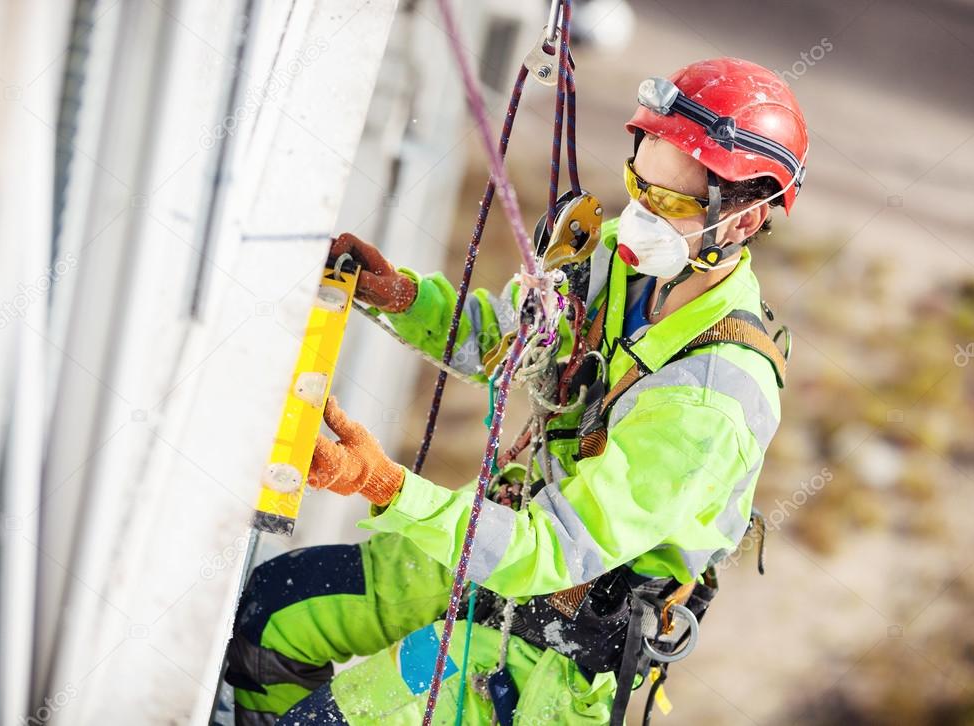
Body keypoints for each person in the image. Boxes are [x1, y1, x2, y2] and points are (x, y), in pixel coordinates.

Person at [223, 57, 808, 725]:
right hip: (501, 545)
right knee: (274, 614)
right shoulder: (626, 266)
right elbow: (512, 343)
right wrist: (401, 298)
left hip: (557, 644)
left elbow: (550, 551)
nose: (639, 215)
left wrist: (386, 485)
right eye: (637, 185)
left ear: (740, 220)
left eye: (669, 203)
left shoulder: (709, 402)